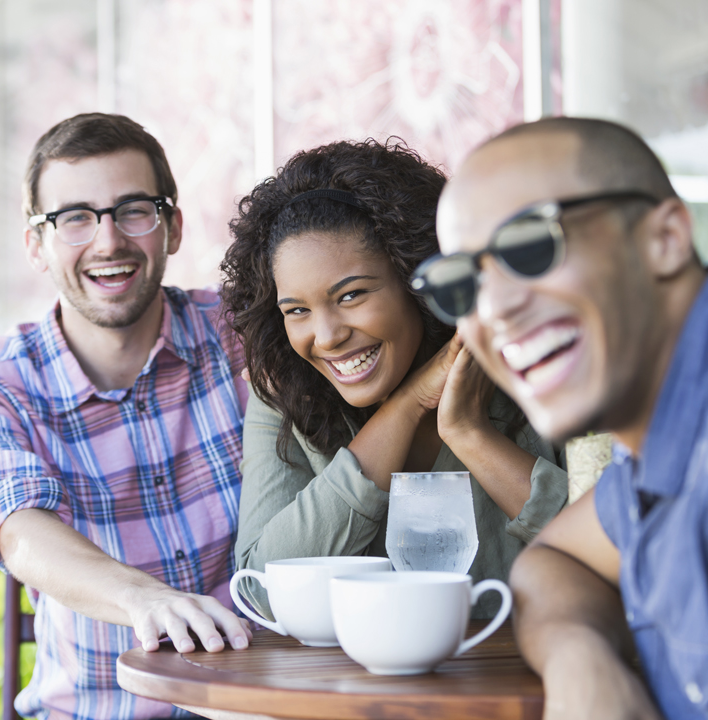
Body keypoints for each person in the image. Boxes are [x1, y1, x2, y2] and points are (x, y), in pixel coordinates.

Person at [425, 116, 708, 719]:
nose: (495, 308)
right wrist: (578, 655)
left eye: (531, 246)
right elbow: (554, 559)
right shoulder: (666, 431)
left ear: (666, 238)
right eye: (460, 285)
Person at [0, 113, 252, 720]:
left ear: (173, 227)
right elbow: (20, 530)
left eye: (134, 210)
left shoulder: (240, 333)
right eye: (74, 218)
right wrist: (144, 599)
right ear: (36, 245)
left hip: (255, 705)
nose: (108, 242)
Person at [220, 139, 569, 619]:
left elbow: (607, 550)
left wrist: (467, 432)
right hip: (357, 690)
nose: (327, 336)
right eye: (297, 310)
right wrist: (405, 409)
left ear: (415, 279)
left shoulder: (527, 361)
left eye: (351, 296)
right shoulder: (285, 391)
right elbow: (262, 589)